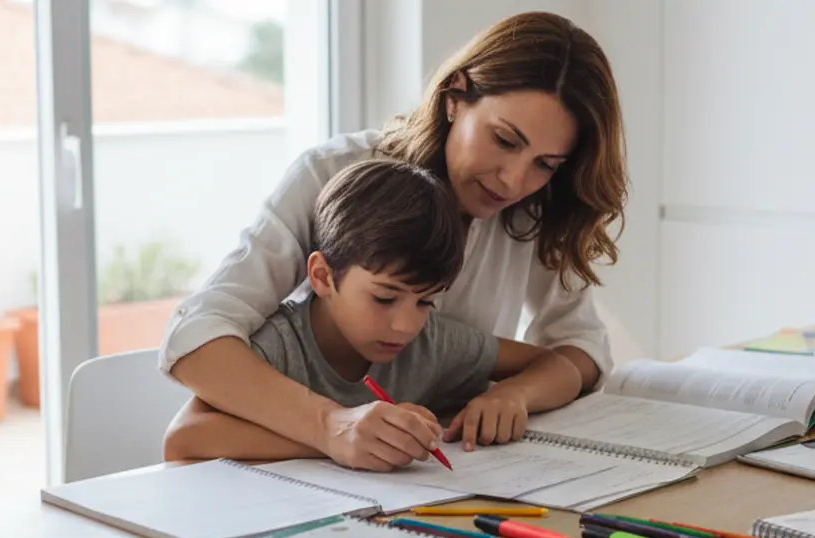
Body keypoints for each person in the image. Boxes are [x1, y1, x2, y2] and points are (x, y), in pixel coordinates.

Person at [158, 11, 626, 471]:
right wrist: (331, 427)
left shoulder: (533, 208)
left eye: (546, 164)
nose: (514, 180)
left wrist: (515, 393)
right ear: (455, 97)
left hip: (432, 473)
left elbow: (580, 349)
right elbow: (197, 335)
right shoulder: (332, 173)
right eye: (504, 140)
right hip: (308, 468)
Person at [162, 159, 583, 467]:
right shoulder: (280, 345)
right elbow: (183, 441)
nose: (405, 325)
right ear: (323, 276)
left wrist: (513, 395)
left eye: (425, 301)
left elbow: (560, 367)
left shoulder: (430, 341)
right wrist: (341, 438)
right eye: (384, 298)